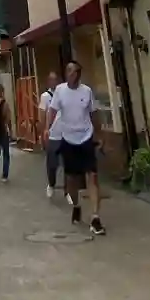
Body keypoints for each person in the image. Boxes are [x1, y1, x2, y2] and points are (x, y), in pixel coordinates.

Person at [51, 61, 105, 236]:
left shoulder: (86, 91)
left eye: (75, 71)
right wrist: (46, 130)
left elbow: (93, 114)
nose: (71, 74)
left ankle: (95, 218)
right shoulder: (60, 91)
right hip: (68, 139)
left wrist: (99, 135)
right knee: (72, 180)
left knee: (92, 176)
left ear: (79, 74)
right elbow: (52, 111)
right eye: (69, 71)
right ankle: (76, 205)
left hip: (86, 137)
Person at [39, 70, 62, 199]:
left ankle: (69, 190)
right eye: (51, 79)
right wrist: (43, 132)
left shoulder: (63, 94)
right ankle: (51, 184)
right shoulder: (45, 97)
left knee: (68, 162)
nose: (54, 82)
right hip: (52, 133)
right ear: (48, 82)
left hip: (65, 133)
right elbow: (42, 115)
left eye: (55, 79)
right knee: (52, 163)